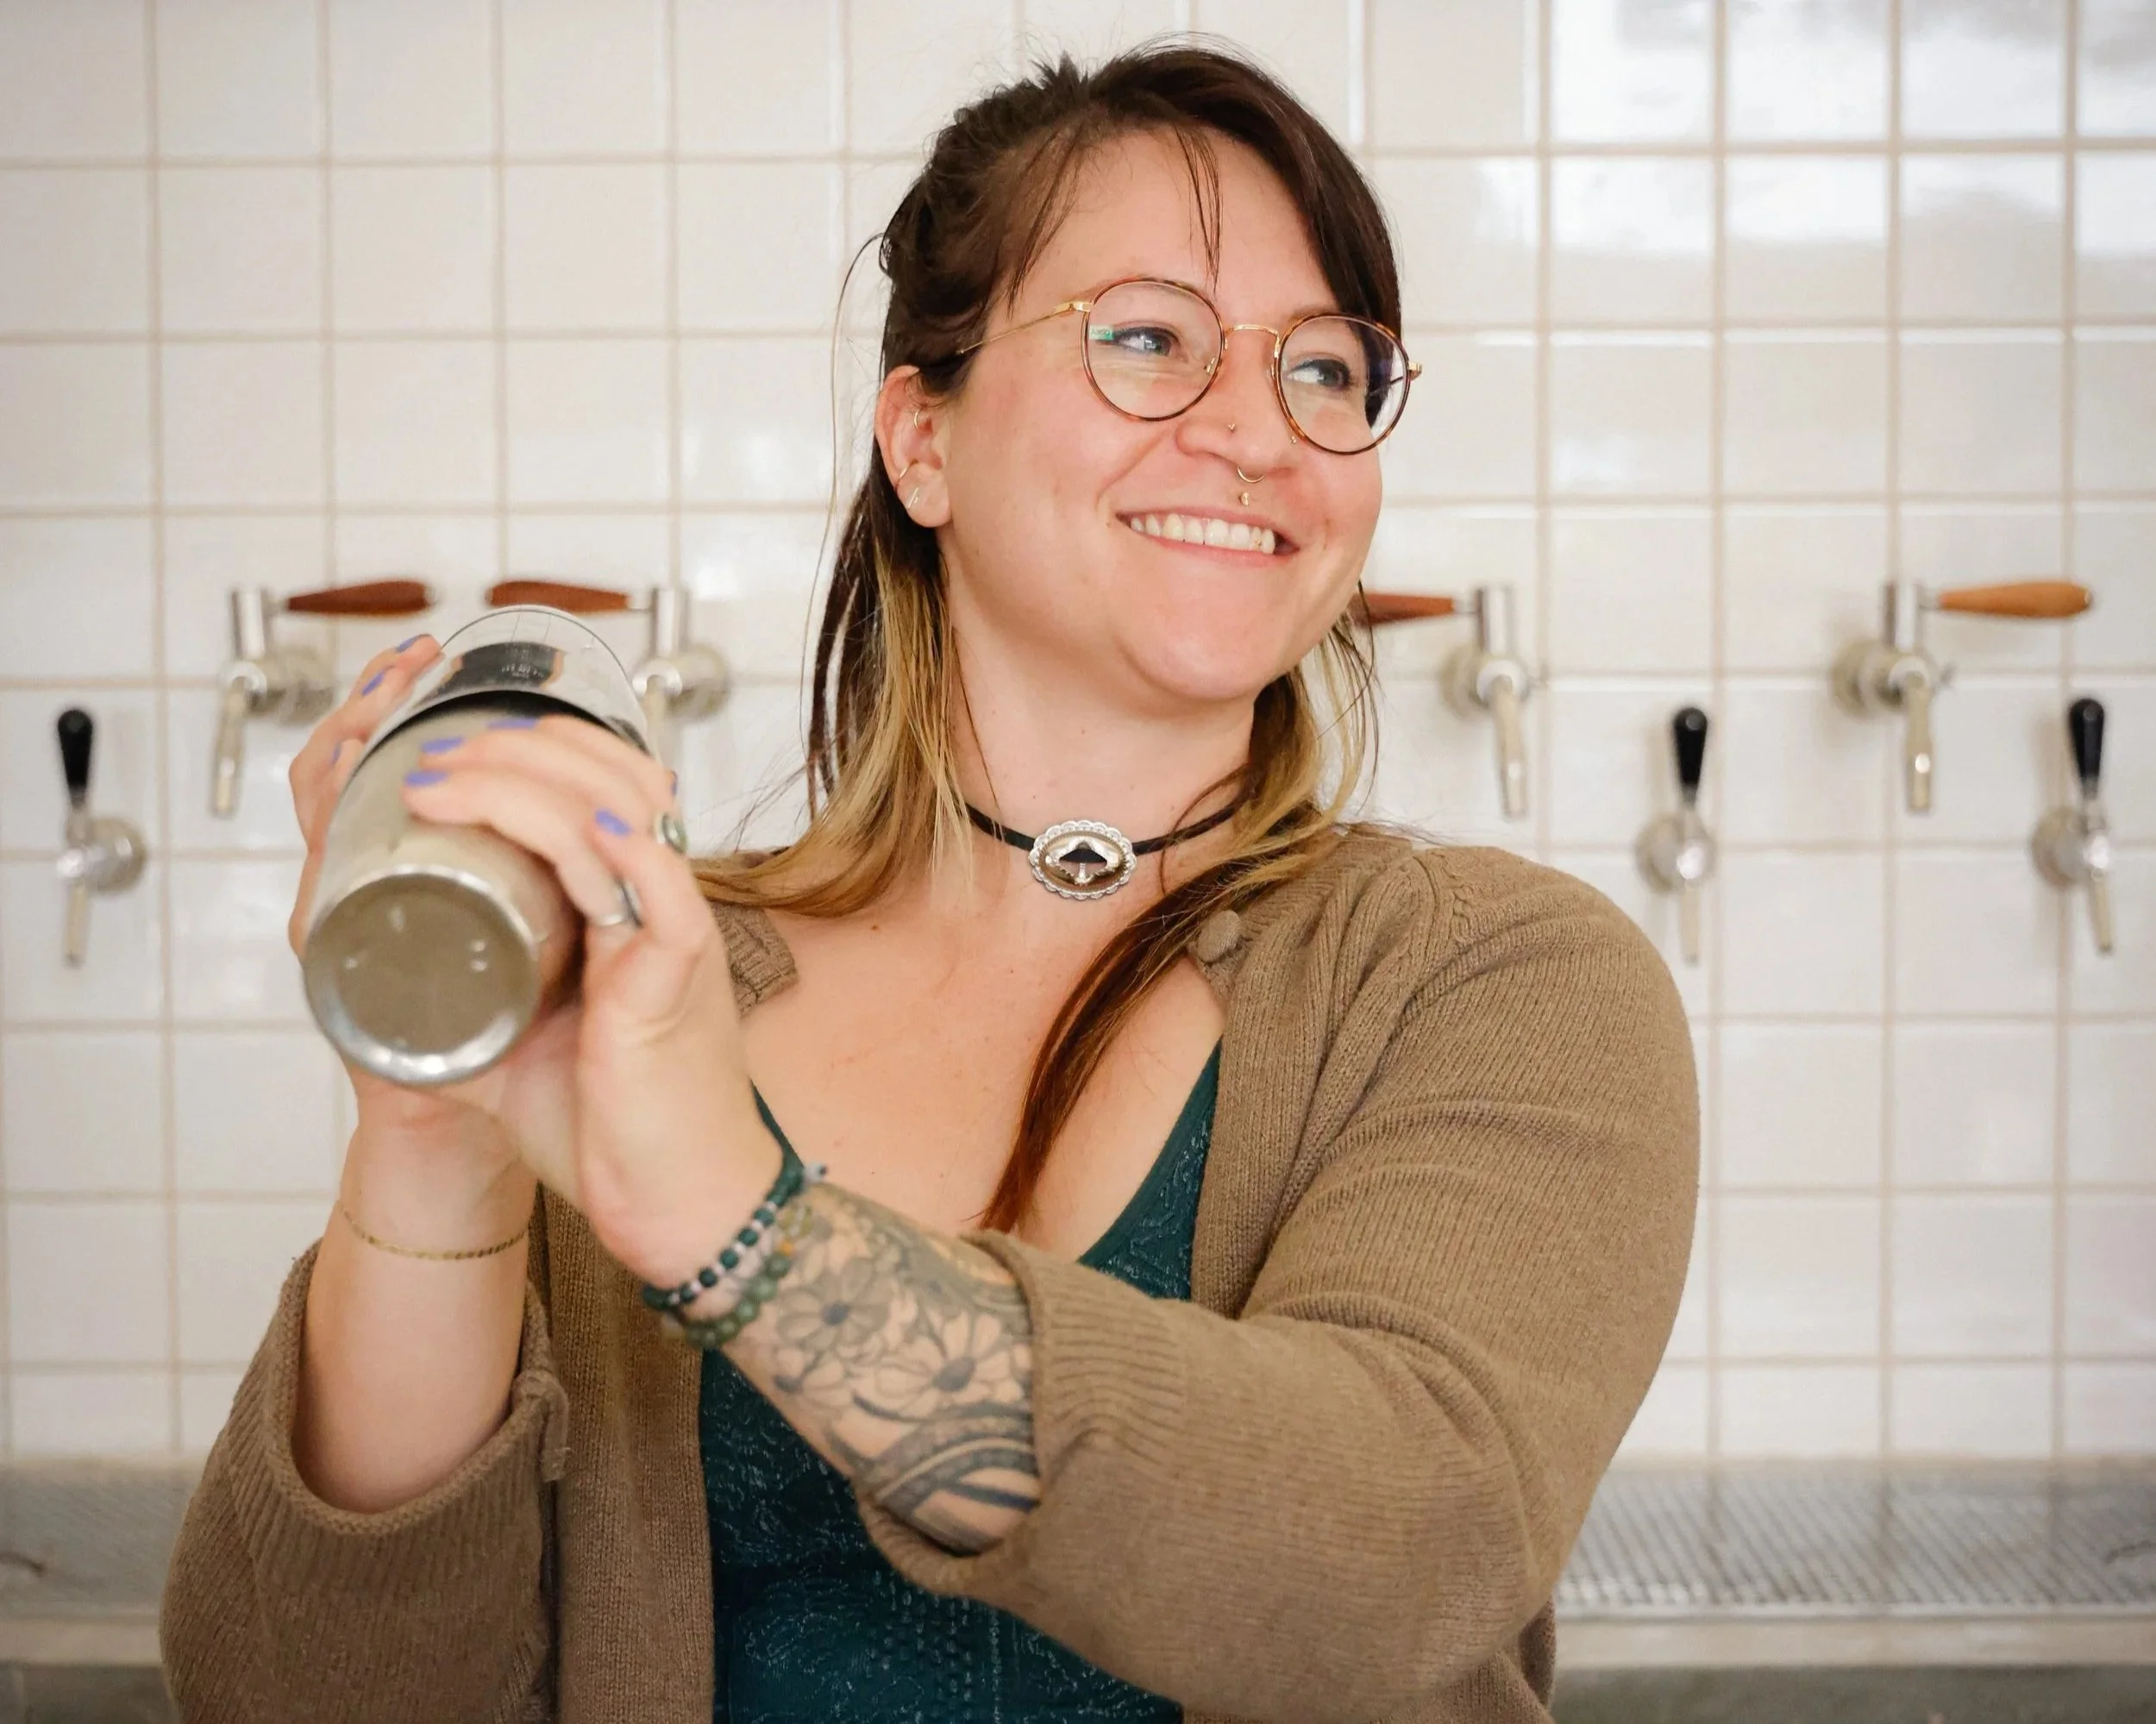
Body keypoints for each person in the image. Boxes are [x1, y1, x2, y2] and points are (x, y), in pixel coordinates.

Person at [160, 43, 1696, 1724]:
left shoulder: (1492, 981)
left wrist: (737, 1232)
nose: (1261, 429)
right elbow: (308, 1696)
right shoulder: (633, 985)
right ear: (922, 440)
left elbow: (1387, 1566)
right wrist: (435, 1134)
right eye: (1146, 340)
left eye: (1325, 370)